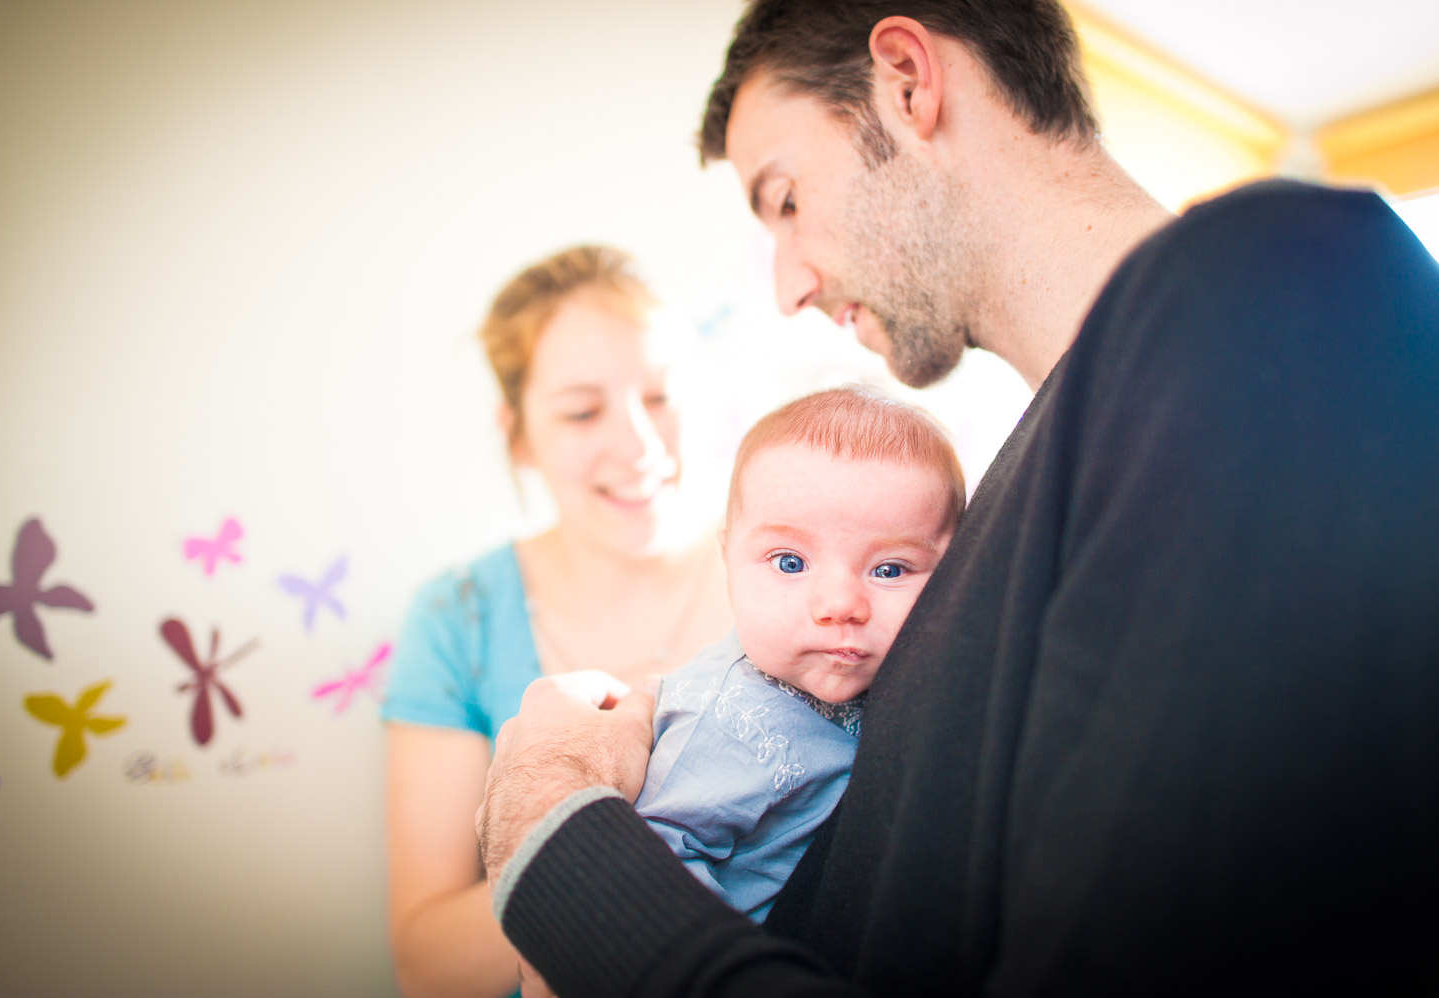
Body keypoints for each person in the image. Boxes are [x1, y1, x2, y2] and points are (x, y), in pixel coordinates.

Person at [477, 3, 1439, 995]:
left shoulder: (1286, 288)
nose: (787, 285)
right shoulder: (1014, 502)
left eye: (787, 198)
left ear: (906, 80)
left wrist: (551, 832)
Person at [382, 244, 733, 998]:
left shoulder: (812, 573)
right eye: (581, 411)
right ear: (518, 434)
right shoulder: (457, 616)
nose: (638, 444)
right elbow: (428, 968)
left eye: (663, 396)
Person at [636, 385, 965, 923]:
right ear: (728, 559)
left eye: (889, 569)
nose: (840, 605)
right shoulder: (728, 725)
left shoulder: (914, 685)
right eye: (790, 562)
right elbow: (646, 875)